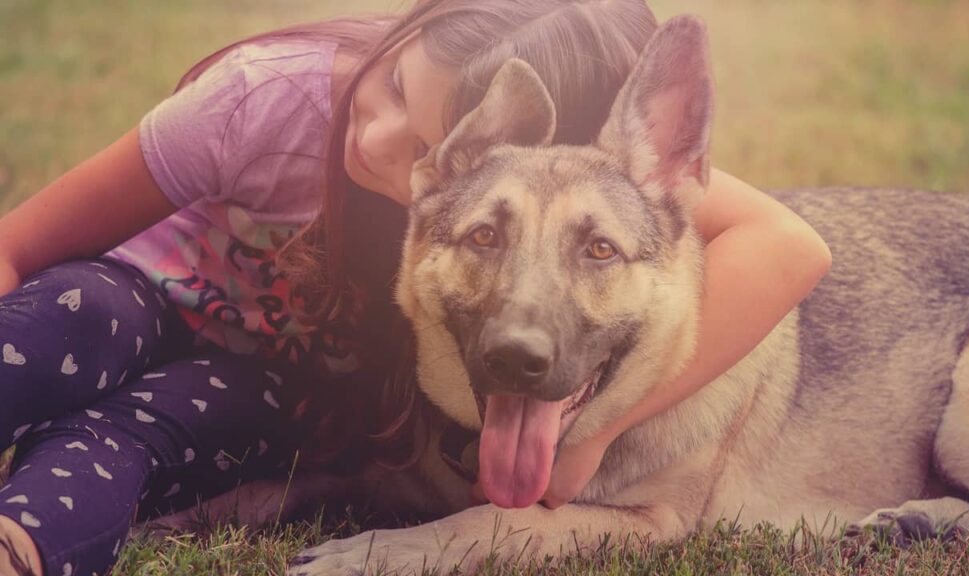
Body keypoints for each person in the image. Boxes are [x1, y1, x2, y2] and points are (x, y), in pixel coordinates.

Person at [0, 0, 831, 574]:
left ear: (519, 139)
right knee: (75, 318)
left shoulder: (573, 177)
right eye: (394, 85)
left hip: (255, 374)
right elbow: (19, 245)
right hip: (124, 298)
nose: (381, 138)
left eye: (429, 136)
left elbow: (790, 246)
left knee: (131, 437)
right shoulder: (266, 97)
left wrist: (593, 436)